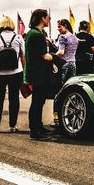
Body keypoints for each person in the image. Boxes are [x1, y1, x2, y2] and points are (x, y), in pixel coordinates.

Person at [0, 16, 25, 134]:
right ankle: (12, 126)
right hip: (16, 71)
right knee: (14, 98)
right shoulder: (18, 37)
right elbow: (23, 53)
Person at [25, 9, 54, 141]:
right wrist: (55, 56)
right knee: (37, 102)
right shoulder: (36, 34)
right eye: (48, 17)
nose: (49, 20)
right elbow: (45, 56)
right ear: (42, 18)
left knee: (39, 101)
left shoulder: (34, 33)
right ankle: (35, 130)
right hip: (38, 73)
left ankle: (38, 126)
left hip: (36, 72)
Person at [56, 19, 78, 84]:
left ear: (65, 26)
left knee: (61, 85)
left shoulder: (62, 37)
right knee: (70, 85)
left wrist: (53, 56)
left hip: (64, 63)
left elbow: (61, 52)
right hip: (73, 63)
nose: (58, 29)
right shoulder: (75, 37)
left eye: (59, 26)